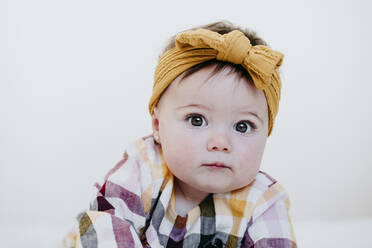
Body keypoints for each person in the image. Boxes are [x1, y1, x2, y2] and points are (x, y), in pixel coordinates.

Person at [68, 21, 297, 248]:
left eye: (243, 126)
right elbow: (107, 225)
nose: (220, 143)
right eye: (196, 120)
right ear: (157, 126)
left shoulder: (264, 200)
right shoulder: (143, 168)